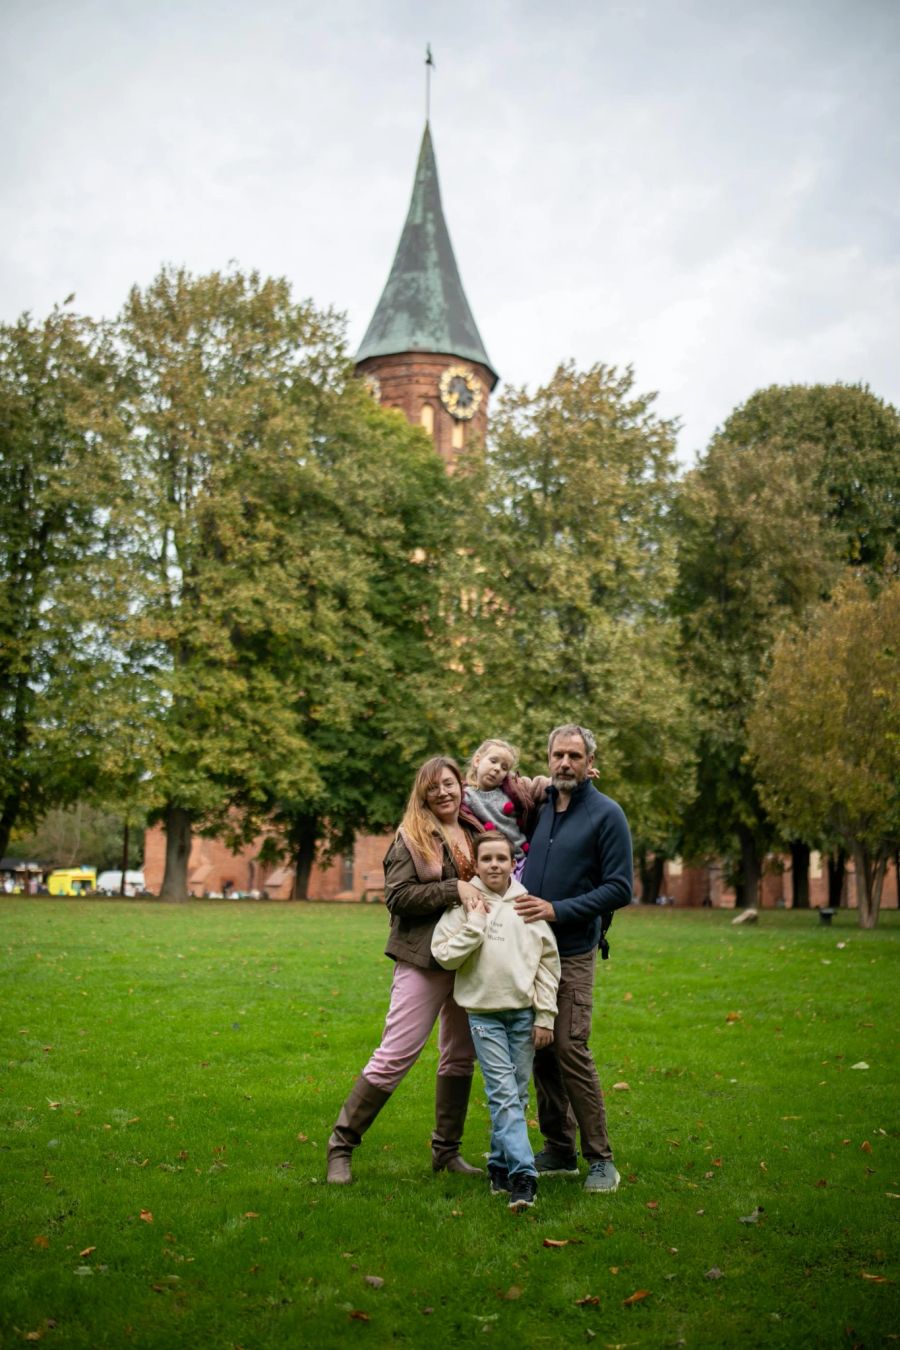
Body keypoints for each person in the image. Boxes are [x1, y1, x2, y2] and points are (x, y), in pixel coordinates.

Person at [327, 756, 486, 1185]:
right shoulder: (411, 836)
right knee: (396, 1054)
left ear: (460, 786)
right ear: (423, 793)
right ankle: (340, 1146)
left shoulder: (474, 832)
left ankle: (446, 1152)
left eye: (450, 784)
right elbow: (398, 897)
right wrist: (454, 888)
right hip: (422, 958)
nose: (443, 793)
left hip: (468, 959)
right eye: (433, 787)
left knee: (459, 1055)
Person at [514, 723, 633, 1194]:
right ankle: (559, 1149)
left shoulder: (607, 814)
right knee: (541, 1050)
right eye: (558, 755)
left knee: (569, 1047)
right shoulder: (540, 808)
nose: (565, 763)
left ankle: (601, 1159)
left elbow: (620, 888)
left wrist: (557, 909)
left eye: (574, 756)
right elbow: (491, 789)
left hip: (574, 950)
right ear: (548, 760)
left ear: (589, 763)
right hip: (529, 952)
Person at [431, 831, 560, 1212]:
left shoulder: (526, 906)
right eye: (486, 859)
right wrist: (474, 926)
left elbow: (548, 965)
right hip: (483, 1016)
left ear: (512, 862)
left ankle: (498, 1166)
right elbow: (443, 956)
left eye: (501, 859)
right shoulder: (465, 904)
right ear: (477, 863)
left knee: (516, 1096)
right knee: (504, 1095)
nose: (494, 866)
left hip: (522, 1015)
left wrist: (545, 1016)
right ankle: (525, 1176)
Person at [462, 738, 547, 867]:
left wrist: (574, 778)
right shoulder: (466, 796)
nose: (497, 769)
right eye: (493, 761)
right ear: (477, 761)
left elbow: (541, 785)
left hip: (522, 858)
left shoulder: (514, 789)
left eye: (504, 767)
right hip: (495, 863)